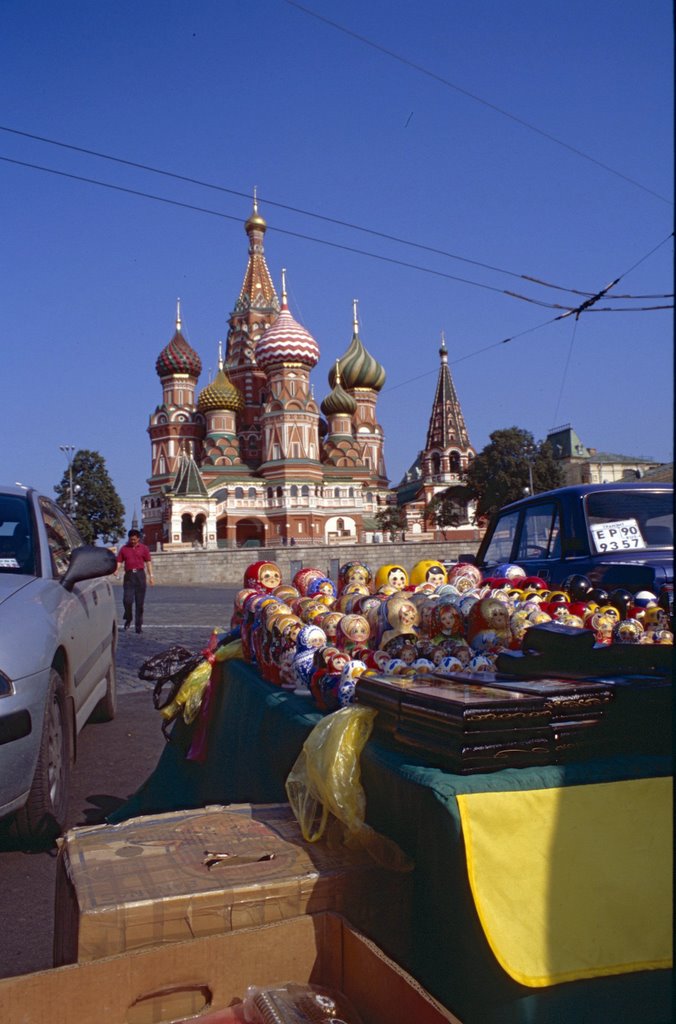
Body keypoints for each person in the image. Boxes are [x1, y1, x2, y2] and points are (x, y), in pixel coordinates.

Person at [114, 529, 154, 633]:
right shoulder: (124, 549)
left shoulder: (144, 548)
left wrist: (151, 576)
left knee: (139, 603)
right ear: (129, 538)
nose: (133, 541)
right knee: (127, 600)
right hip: (129, 576)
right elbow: (119, 561)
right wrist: (116, 569)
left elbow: (148, 562)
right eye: (131, 539)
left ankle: (138, 626)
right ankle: (128, 617)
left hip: (140, 576)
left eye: (135, 540)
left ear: (138, 539)